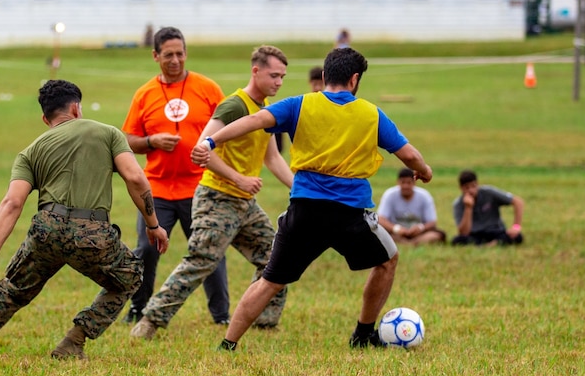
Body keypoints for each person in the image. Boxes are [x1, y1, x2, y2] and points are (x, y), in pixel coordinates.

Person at [191, 47, 433, 351]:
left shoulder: (298, 105)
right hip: (349, 214)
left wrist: (211, 141)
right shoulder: (371, 113)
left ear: (324, 76)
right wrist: (423, 170)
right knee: (387, 260)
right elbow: (408, 154)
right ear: (355, 79)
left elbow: (254, 121)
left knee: (270, 280)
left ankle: (228, 344)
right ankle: (363, 333)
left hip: (304, 211)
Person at [0, 80, 168, 360]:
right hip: (92, 233)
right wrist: (153, 225)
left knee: (14, 288)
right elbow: (136, 177)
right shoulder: (109, 134)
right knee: (129, 277)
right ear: (76, 108)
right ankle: (73, 342)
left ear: (45, 118)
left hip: (46, 230)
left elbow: (12, 203)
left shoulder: (30, 151)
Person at [130, 46, 293, 340]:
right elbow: (201, 150)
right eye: (274, 75)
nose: (279, 82)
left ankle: (265, 322)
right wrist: (239, 179)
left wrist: (299, 189)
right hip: (217, 198)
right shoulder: (234, 106)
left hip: (246, 204)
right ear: (255, 71)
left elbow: (273, 159)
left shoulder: (265, 109)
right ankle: (150, 321)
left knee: (275, 258)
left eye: (282, 76)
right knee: (200, 260)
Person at [121, 26, 229, 325]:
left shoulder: (208, 89)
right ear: (155, 56)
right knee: (146, 250)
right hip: (157, 189)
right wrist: (151, 142)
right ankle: (138, 308)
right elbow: (127, 139)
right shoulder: (145, 94)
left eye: (180, 53)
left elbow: (229, 128)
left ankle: (221, 316)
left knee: (210, 250)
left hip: (201, 187)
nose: (175, 60)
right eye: (168, 54)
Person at [451, 169, 525, 246]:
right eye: (467, 188)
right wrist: (468, 208)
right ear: (461, 188)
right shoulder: (458, 204)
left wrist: (516, 227)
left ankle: (488, 245)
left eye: (473, 186)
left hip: (495, 230)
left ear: (477, 184)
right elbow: (464, 232)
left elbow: (518, 202)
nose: (471, 190)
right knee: (458, 240)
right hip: (475, 234)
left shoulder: (488, 192)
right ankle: (494, 244)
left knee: (517, 236)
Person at [377, 168, 445, 245]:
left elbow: (432, 222)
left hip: (418, 234)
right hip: (396, 233)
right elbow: (381, 219)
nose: (406, 186)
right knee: (378, 234)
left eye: (409, 183)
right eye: (403, 182)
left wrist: (420, 228)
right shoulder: (390, 195)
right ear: (398, 183)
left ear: (414, 183)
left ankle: (409, 243)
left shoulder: (424, 196)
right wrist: (396, 228)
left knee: (437, 235)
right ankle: (413, 243)